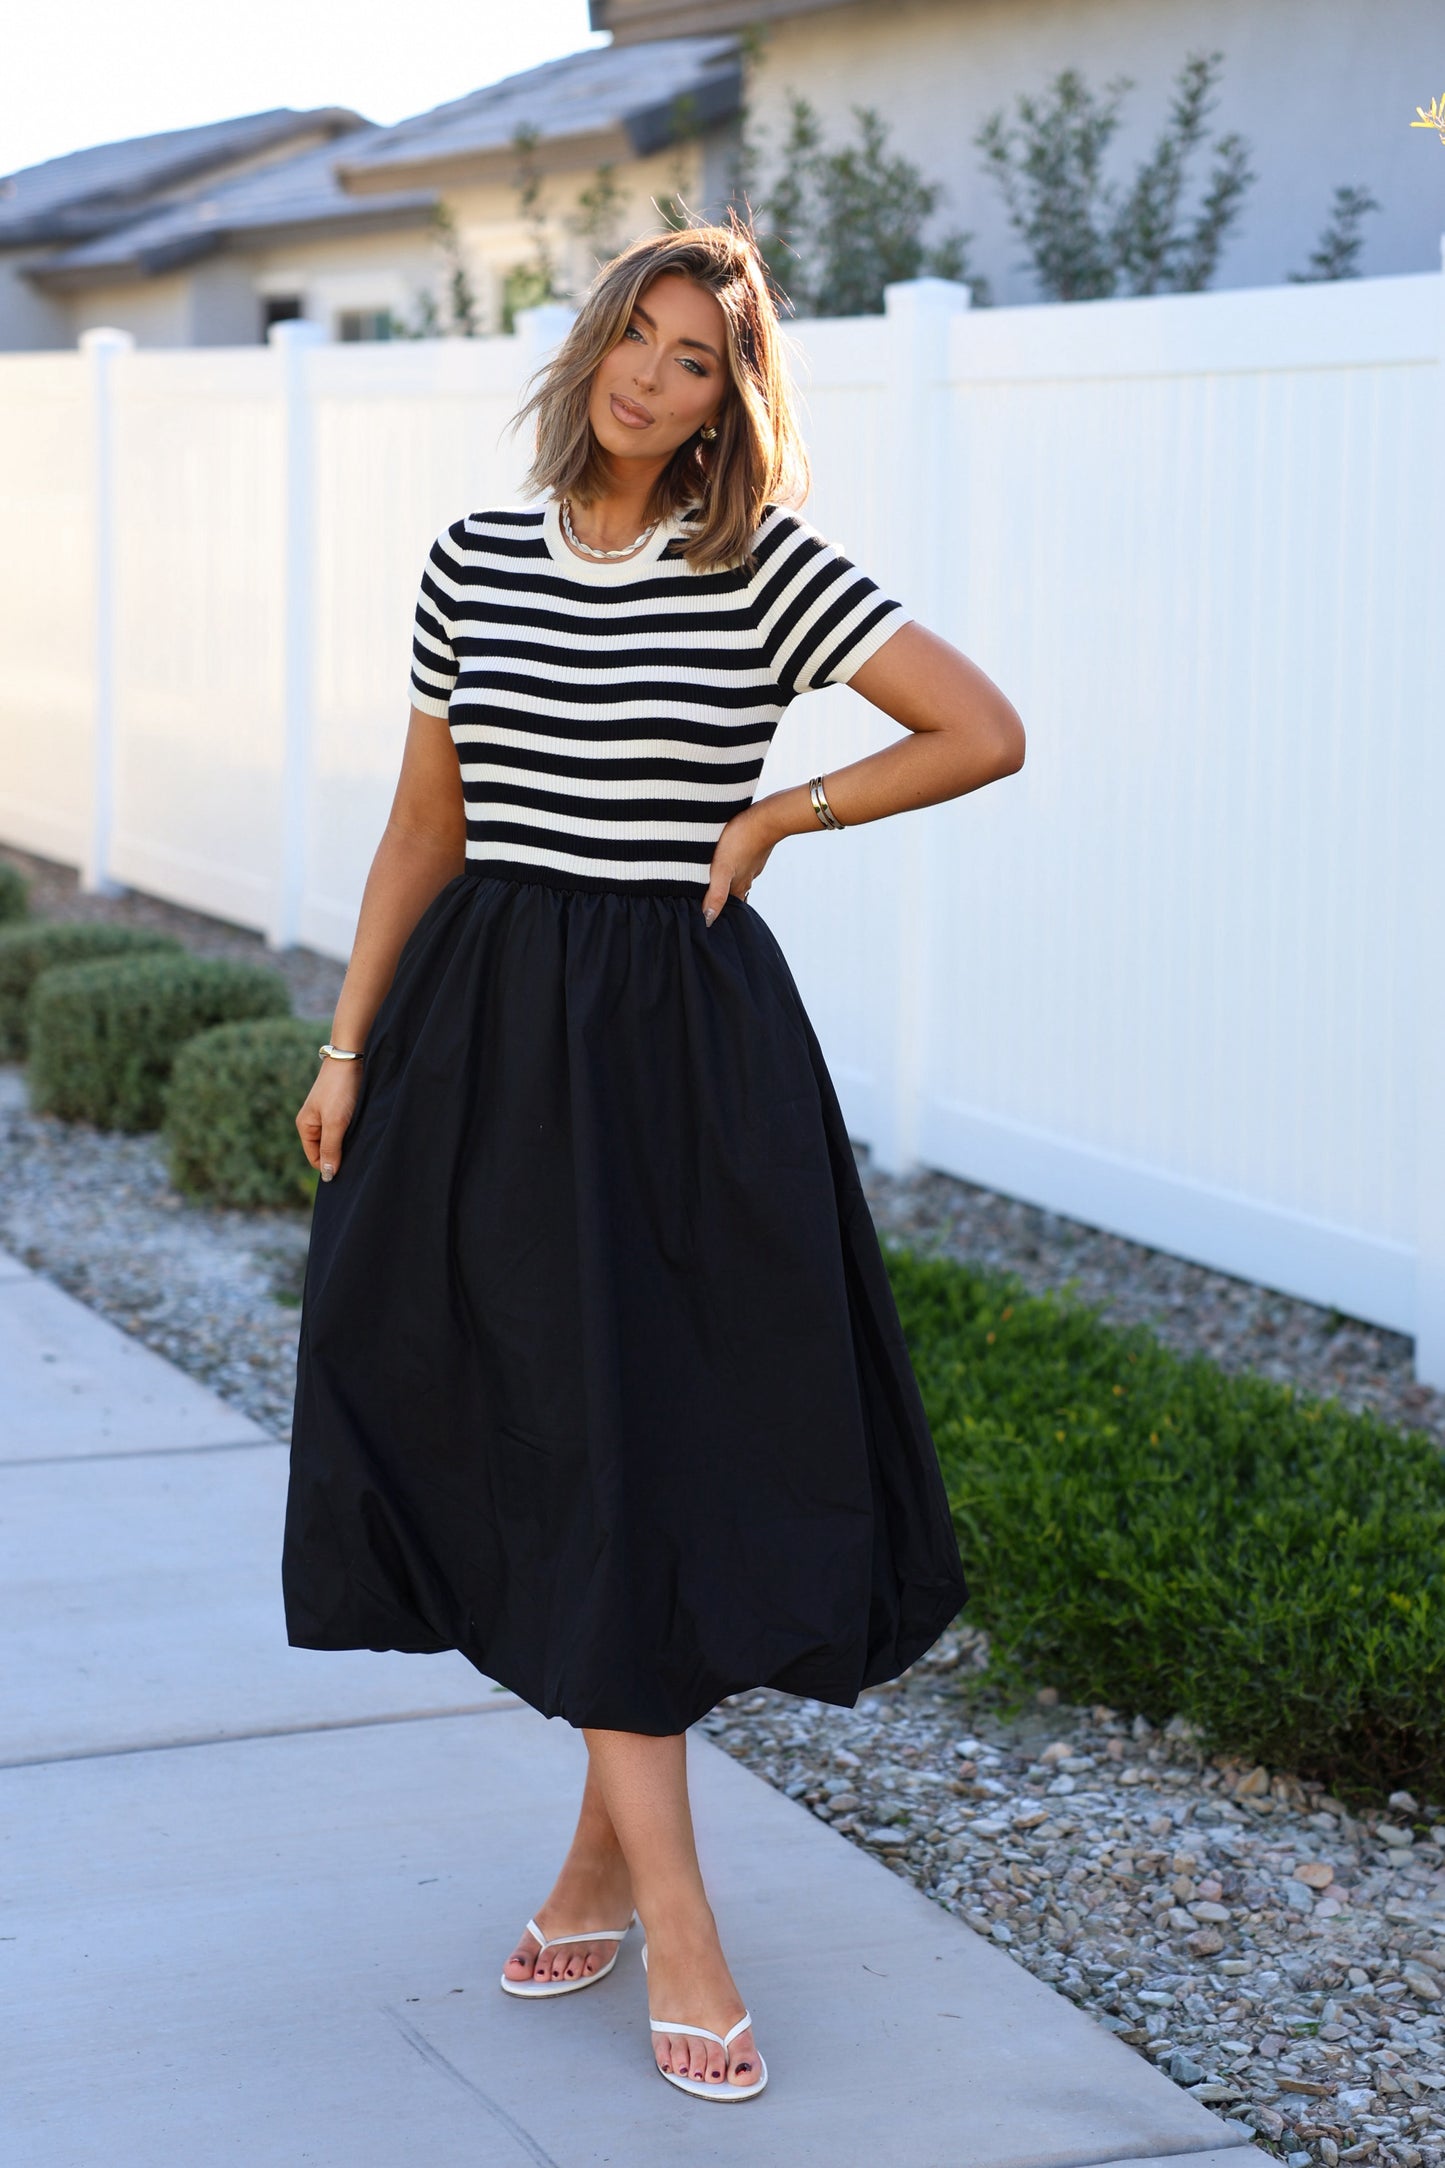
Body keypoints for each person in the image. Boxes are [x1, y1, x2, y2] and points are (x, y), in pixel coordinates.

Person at [283, 219, 1025, 2105]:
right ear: (592, 342)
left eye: (698, 358)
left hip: (681, 1057)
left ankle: (633, 1887)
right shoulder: (473, 557)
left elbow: (978, 730)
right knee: (548, 1440)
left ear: (725, 399)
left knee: (655, 1441)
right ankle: (650, 1899)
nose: (653, 374)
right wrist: (346, 1042)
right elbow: (415, 833)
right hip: (478, 1047)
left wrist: (785, 808)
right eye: (639, 334)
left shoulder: (758, 564)